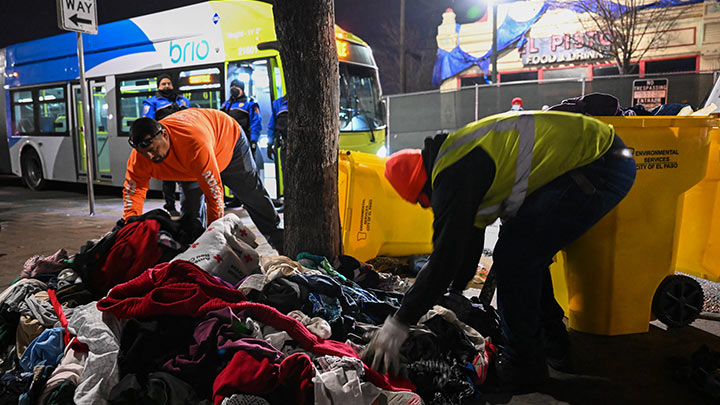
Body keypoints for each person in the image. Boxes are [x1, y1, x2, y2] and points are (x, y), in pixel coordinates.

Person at [363, 111, 636, 391]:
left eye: (424, 203)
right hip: (597, 159)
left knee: (516, 258)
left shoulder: (453, 174)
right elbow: (466, 247)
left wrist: (399, 323)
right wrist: (454, 294)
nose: (430, 208)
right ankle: (553, 346)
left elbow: (445, 258)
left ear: (424, 191)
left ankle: (526, 365)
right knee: (523, 250)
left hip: (599, 164)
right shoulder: (459, 160)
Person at [123, 108, 284, 253]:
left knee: (252, 195)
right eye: (144, 153)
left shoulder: (192, 142)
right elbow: (134, 191)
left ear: (164, 134)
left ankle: (282, 243)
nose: (150, 157)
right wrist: (131, 222)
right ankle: (194, 255)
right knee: (190, 216)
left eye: (152, 150)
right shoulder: (140, 157)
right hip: (190, 166)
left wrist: (215, 238)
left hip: (228, 144)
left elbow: (213, 195)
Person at [142, 73, 191, 217]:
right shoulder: (152, 102)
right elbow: (148, 124)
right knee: (168, 178)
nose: (166, 86)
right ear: (158, 86)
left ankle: (187, 206)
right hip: (165, 146)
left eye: (168, 83)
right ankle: (170, 206)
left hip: (182, 143)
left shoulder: (183, 100)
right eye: (163, 84)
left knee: (186, 176)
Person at [220, 79, 264, 178]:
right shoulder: (226, 104)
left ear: (242, 89)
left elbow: (256, 123)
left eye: (236, 87)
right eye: (231, 87)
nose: (233, 89)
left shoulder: (250, 103)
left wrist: (253, 140)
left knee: (246, 169)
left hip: (245, 141)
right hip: (229, 142)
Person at [266, 94, 288, 200]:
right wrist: (270, 144)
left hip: (301, 145)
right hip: (285, 145)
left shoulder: (303, 100)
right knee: (286, 174)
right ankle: (287, 202)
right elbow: (272, 125)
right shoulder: (278, 103)